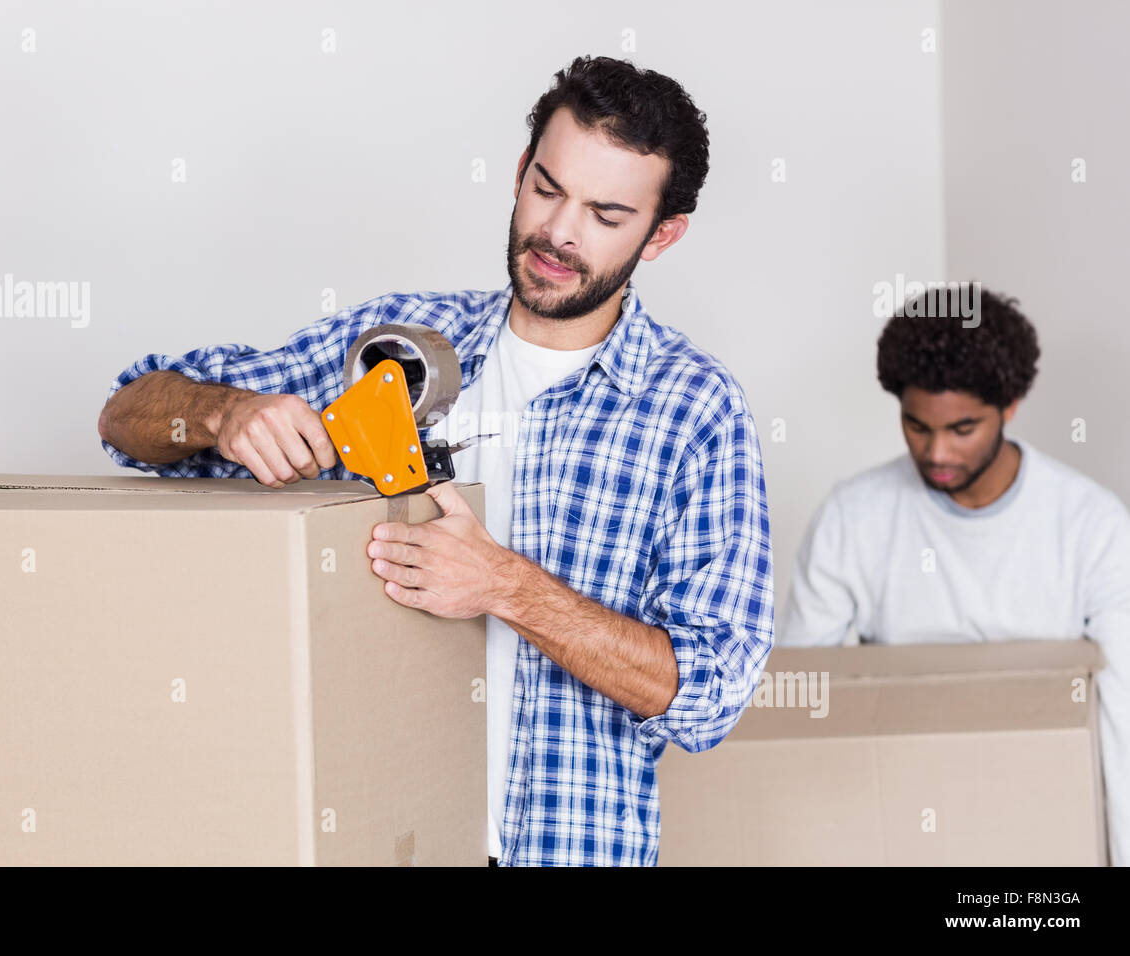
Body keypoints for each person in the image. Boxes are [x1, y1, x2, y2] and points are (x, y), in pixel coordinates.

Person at [97, 55, 774, 866]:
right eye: (548, 188)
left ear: (661, 234)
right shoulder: (397, 343)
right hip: (378, 844)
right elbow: (125, 415)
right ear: (521, 171)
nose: (560, 232)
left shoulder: (695, 410)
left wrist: (506, 587)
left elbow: (709, 694)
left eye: (606, 214)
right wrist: (220, 413)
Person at [779, 286, 1130, 866]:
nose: (937, 452)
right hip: (896, 810)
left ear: (1011, 405)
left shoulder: (1092, 526)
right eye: (917, 427)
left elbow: (1122, 718)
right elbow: (802, 689)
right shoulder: (854, 515)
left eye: (962, 429)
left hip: (1046, 819)